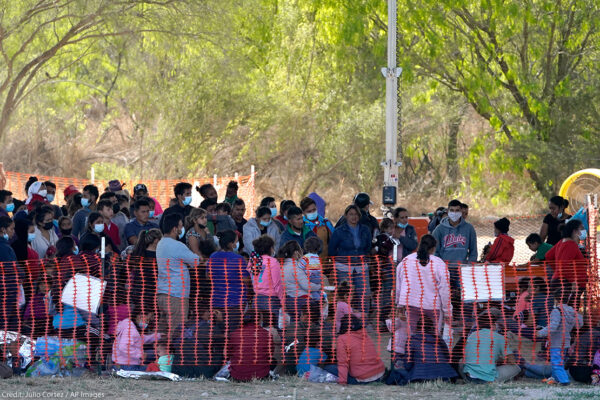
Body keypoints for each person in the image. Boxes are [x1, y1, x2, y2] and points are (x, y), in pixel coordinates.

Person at [396, 234, 452, 336]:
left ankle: (413, 351)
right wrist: (447, 311)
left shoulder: (406, 261)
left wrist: (399, 305)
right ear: (434, 248)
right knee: (435, 338)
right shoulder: (439, 263)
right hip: (433, 307)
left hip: (411, 304)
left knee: (411, 336)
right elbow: (445, 291)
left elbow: (399, 284)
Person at [156, 213, 200, 335]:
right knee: (177, 331)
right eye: (181, 226)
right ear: (175, 229)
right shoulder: (177, 245)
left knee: (163, 331)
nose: (182, 229)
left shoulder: (161, 244)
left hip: (163, 293)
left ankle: (160, 352)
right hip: (176, 295)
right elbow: (195, 261)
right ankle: (172, 354)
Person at [329, 205, 372, 313]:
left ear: (359, 216)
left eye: (356, 214)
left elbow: (368, 247)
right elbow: (332, 249)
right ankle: (346, 322)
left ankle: (363, 321)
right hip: (343, 267)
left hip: (361, 266)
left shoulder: (365, 230)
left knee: (364, 294)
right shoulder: (339, 231)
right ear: (346, 216)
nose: (354, 217)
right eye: (351, 214)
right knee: (346, 295)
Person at [535, 288, 583, 385]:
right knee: (558, 361)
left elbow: (553, 326)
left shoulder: (557, 311)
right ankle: (555, 379)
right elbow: (580, 324)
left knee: (556, 362)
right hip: (566, 341)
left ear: (556, 299)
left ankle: (564, 381)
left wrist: (540, 332)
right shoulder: (572, 311)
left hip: (557, 341)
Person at [432, 199, 477, 295]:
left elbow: (473, 251)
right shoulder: (439, 230)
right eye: (452, 210)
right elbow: (435, 252)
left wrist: (469, 266)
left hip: (462, 270)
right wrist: (440, 268)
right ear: (447, 212)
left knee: (466, 296)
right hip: (444, 269)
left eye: (457, 210)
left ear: (461, 212)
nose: (454, 213)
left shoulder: (469, 228)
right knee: (443, 296)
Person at [208, 230, 249, 335]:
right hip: (234, 303)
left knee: (218, 333)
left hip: (217, 302)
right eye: (236, 241)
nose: (237, 244)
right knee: (233, 333)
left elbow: (208, 276)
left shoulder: (212, 257)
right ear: (231, 244)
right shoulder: (238, 259)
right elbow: (246, 279)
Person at [461, 312, 521, 383]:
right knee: (516, 367)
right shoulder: (500, 338)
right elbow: (512, 361)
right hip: (487, 379)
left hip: (469, 377)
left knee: (461, 362)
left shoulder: (471, 336)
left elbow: (467, 355)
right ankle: (493, 380)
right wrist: (502, 360)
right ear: (493, 325)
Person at [171, 307, 225, 379]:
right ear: (204, 313)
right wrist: (220, 322)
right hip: (202, 372)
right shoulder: (210, 328)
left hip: (179, 371)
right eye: (209, 311)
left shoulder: (180, 327)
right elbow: (223, 341)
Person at [403, 316, 458, 383]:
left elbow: (408, 364)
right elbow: (448, 358)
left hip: (420, 377)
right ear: (432, 328)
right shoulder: (439, 340)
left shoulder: (412, 340)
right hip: (446, 375)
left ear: (417, 327)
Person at [336, 315, 385, 385]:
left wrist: (342, 382)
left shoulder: (342, 338)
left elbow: (343, 363)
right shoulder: (365, 334)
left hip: (363, 378)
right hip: (380, 374)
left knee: (330, 368)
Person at [227, 310, 274, 381]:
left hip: (237, 375)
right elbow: (270, 353)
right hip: (261, 375)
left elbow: (229, 353)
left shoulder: (235, 334)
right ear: (259, 320)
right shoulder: (266, 334)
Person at [247, 235, 284, 322]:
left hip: (256, 299)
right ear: (270, 248)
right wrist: (283, 300)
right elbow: (277, 284)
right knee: (272, 328)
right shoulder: (273, 262)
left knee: (258, 329)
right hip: (270, 301)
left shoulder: (253, 261)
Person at [280, 240, 320, 321]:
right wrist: (320, 286)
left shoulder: (283, 267)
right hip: (301, 302)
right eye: (300, 250)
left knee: (295, 326)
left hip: (289, 301)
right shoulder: (295, 268)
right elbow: (307, 286)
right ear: (296, 253)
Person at [545, 219, 587, 290]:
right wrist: (573, 281)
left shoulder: (561, 242)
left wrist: (557, 270)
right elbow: (564, 265)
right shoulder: (571, 245)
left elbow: (548, 256)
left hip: (559, 281)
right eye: (581, 229)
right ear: (574, 231)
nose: (583, 231)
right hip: (568, 284)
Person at [0, 216, 20, 330]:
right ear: (3, 230)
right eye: (11, 229)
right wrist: (21, 273)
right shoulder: (3, 248)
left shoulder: (6, 246)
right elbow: (10, 268)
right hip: (7, 290)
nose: (13, 232)